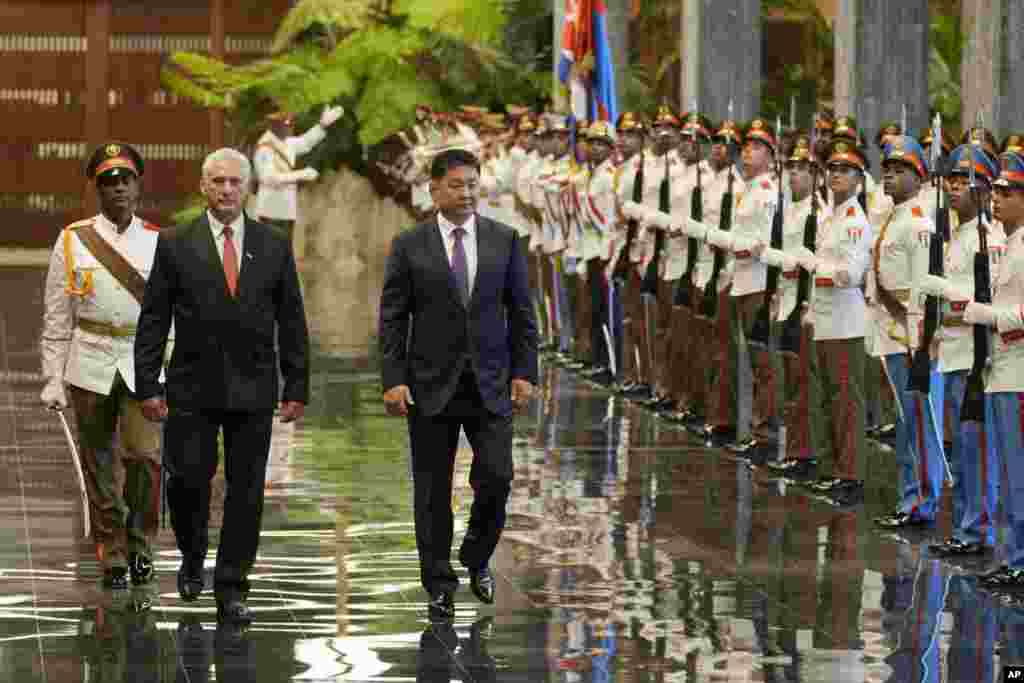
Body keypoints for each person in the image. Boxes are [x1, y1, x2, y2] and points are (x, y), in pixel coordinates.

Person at [134, 148, 310, 625]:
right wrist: (148, 385)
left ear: (247, 187)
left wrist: (297, 384)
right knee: (187, 480)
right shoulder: (174, 243)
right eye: (217, 181)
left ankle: (233, 585)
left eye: (234, 181)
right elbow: (154, 320)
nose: (226, 190)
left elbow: (291, 318)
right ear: (203, 187)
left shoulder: (273, 245)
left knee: (247, 489)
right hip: (191, 385)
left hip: (254, 387)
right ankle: (192, 555)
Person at [378, 148, 539, 620]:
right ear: (434, 189)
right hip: (430, 384)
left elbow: (523, 313)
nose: (466, 192)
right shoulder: (410, 245)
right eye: (456, 184)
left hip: (490, 383)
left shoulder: (504, 240)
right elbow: (392, 318)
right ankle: (438, 583)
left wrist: (525, 371)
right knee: (431, 490)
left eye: (472, 183)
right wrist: (393, 379)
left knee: (498, 476)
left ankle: (475, 554)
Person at [40, 142, 164, 589]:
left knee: (145, 458)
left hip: (141, 362)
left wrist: (173, 367)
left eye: (125, 180)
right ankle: (111, 550)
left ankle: (141, 542)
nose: (118, 189)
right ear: (97, 188)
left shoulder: (156, 240)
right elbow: (57, 316)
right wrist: (52, 377)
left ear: (138, 185)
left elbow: (170, 312)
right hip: (89, 359)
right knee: (97, 461)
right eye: (109, 182)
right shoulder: (73, 239)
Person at [920, 144, 1003, 557]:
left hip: (976, 355)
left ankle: (979, 530)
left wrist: (945, 292)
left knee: (977, 448)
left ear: (985, 190)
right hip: (953, 351)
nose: (953, 187)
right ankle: (968, 526)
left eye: (963, 181)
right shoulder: (956, 236)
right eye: (950, 179)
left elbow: (983, 298)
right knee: (962, 445)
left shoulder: (990, 238)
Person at [869, 135, 947, 530]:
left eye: (900, 172)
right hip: (890, 334)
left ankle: (922, 500)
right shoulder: (894, 216)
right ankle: (910, 494)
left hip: (909, 337)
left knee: (919, 421)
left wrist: (921, 340)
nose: (890, 177)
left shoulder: (918, 223)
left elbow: (924, 288)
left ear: (919, 177)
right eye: (887, 170)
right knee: (905, 420)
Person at [252, 105, 344, 240]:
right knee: (269, 253)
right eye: (287, 125)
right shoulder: (264, 147)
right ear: (275, 126)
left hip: (287, 210)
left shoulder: (286, 142)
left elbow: (306, 142)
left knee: (284, 253)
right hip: (270, 210)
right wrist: (303, 174)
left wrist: (322, 126)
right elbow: (268, 178)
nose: (290, 128)